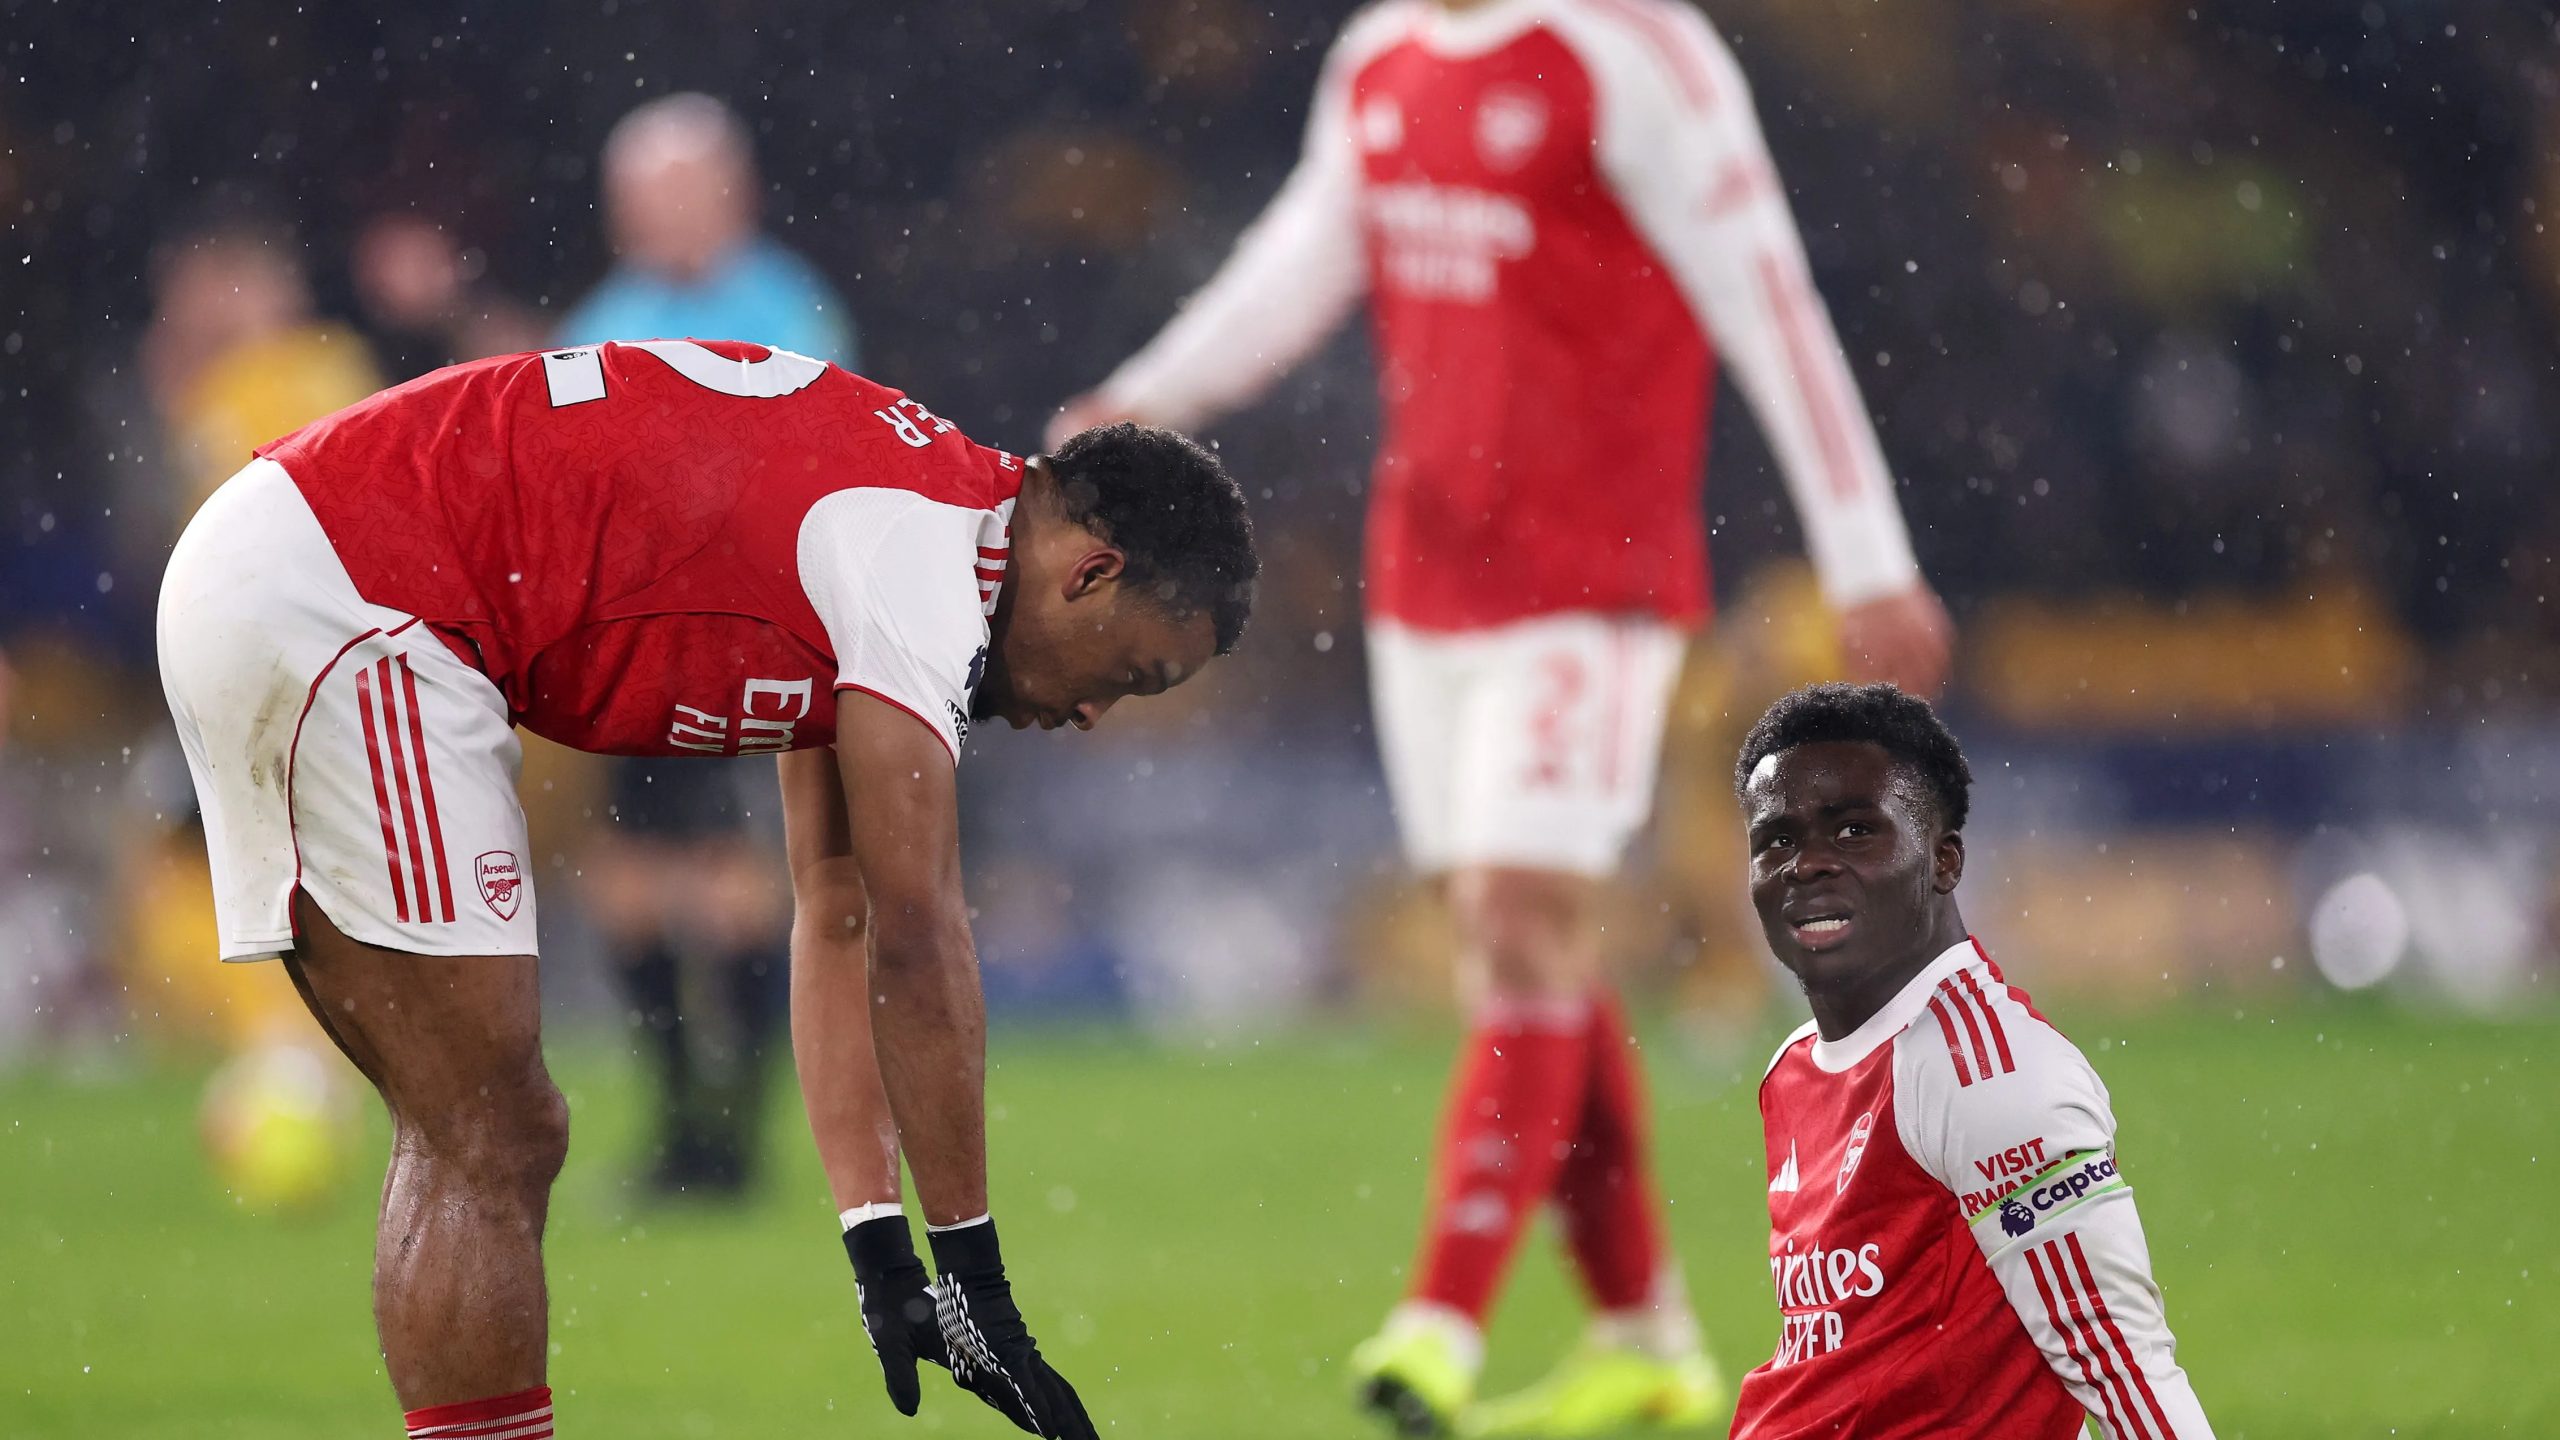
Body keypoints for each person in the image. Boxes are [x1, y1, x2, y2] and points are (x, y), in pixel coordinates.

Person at [1048, 0, 1952, 1430]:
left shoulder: (1632, 50)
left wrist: (1869, 560)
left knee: (1521, 917)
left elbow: (1766, 297)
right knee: (1517, 950)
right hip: (1427, 584)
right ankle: (1644, 1333)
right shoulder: (1384, 58)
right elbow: (1298, 264)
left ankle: (1438, 1323)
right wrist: (1137, 402)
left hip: (1596, 580)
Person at [156, 338, 1257, 1440]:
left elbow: (840, 909)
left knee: (485, 1127)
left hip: (315, 567)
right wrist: (979, 1287)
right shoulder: (924, 574)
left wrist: (882, 1250)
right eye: (1131, 674)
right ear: (1089, 572)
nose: (1094, 715)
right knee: (486, 1130)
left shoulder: (922, 535)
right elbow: (919, 939)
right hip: (347, 596)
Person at [1729, 683, 2215, 1437]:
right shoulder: (1795, 1065)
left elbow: (2121, 1363)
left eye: (1855, 831)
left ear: (1944, 860)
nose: (1809, 864)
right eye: (1778, 841)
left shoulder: (1989, 1075)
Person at [554, 92, 865, 1200]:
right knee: (634, 886)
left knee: (736, 883)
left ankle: (738, 1140)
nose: (660, 215)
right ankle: (678, 1130)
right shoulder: (603, 318)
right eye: (641, 197)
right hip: (633, 641)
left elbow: (812, 466)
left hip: (751, 630)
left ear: (734, 195)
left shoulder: (787, 308)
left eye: (680, 191)